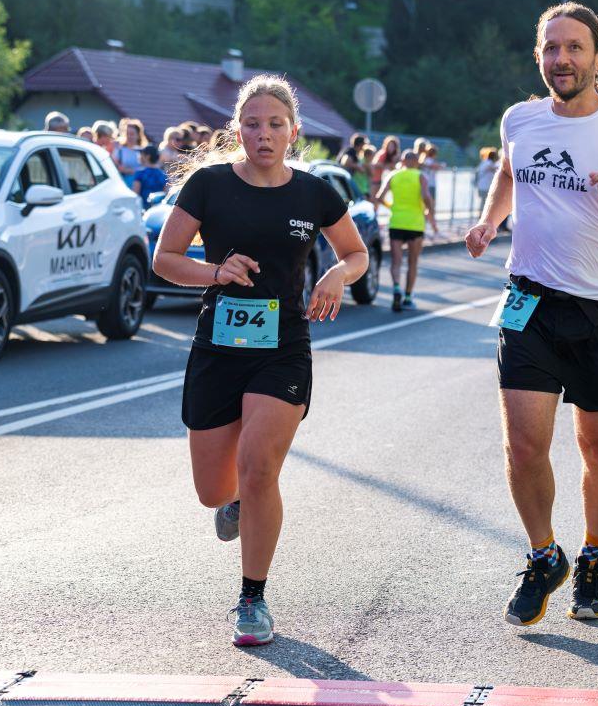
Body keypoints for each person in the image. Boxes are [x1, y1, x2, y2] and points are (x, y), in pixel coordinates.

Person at [463, 2, 598, 626]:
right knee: (523, 443)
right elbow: (509, 173)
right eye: (551, 48)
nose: (562, 58)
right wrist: (489, 220)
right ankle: (543, 556)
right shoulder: (520, 119)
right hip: (528, 301)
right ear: (539, 56)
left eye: (574, 47)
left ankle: (592, 556)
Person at [152, 74, 369, 647]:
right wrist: (215, 271)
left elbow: (357, 253)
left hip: (283, 348)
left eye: (275, 124)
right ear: (237, 130)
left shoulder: (314, 193)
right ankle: (234, 503)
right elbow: (164, 258)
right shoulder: (208, 185)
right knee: (213, 490)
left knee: (259, 467)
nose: (263, 134)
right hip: (218, 348)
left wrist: (336, 274)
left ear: (293, 132)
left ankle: (252, 598)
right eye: (252, 124)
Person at [375, 150, 439, 312]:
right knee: (412, 262)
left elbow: (379, 196)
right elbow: (426, 195)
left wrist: (391, 206)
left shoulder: (393, 175)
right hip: (415, 224)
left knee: (396, 262)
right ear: (416, 162)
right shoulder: (420, 176)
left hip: (396, 222)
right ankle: (408, 298)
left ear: (402, 161)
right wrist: (430, 210)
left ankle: (396, 288)